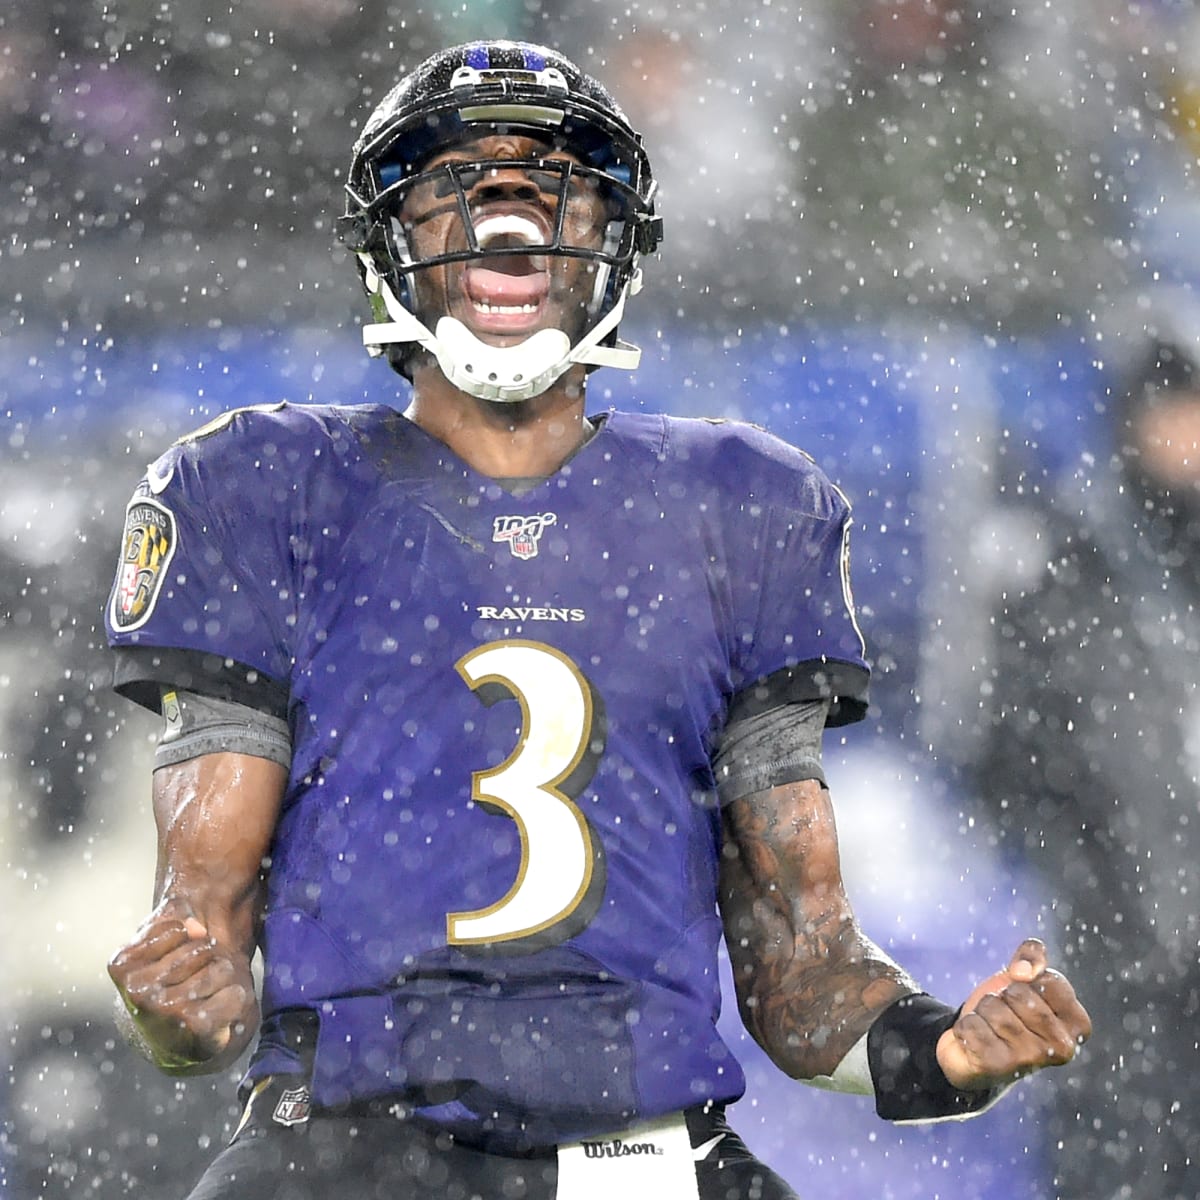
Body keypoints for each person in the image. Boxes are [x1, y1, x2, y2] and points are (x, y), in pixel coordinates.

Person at [103, 41, 1090, 1200]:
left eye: (550, 184)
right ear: (391, 240)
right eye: (457, 182)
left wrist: (943, 1051)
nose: (506, 212)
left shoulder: (740, 508)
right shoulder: (262, 489)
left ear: (615, 239)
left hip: (644, 1153)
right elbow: (201, 943)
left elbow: (801, 966)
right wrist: (183, 1010)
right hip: (352, 1141)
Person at [977, 283, 1200, 1200]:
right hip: (1121, 946)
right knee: (1121, 1156)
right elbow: (1009, 760)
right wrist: (1095, 880)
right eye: (1174, 410)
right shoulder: (1072, 573)